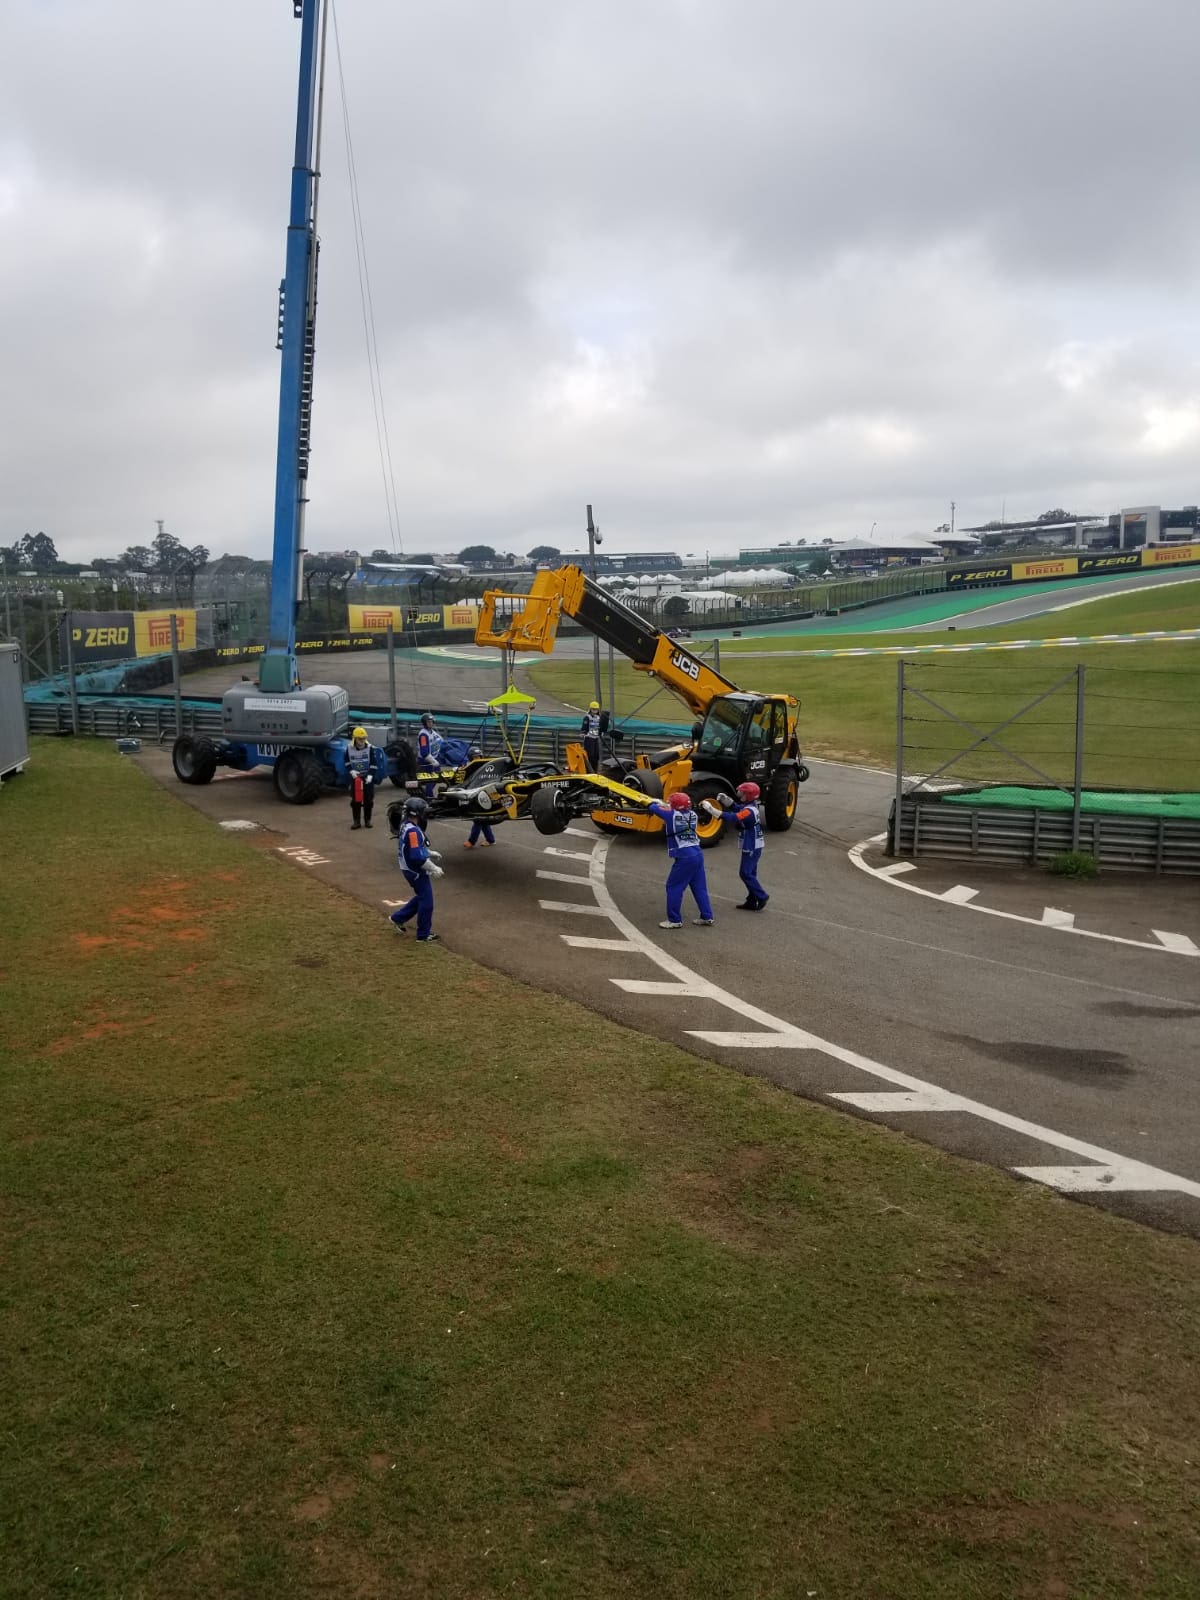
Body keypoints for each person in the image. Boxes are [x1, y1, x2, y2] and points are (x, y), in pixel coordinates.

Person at [645, 790, 714, 930]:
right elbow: (672, 810)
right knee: (699, 888)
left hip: (684, 857)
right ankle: (707, 916)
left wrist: (656, 802)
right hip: (697, 853)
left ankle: (674, 920)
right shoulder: (693, 814)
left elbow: (652, 807)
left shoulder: (671, 815)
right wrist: (666, 805)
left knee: (673, 887)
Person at [703, 781, 768, 910]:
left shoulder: (749, 811)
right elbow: (738, 809)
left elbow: (734, 817)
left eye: (743, 793)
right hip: (754, 843)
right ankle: (752, 899)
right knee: (750, 873)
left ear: (749, 795)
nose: (740, 795)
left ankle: (761, 896)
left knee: (745, 873)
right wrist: (727, 801)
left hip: (752, 845)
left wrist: (712, 810)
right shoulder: (751, 806)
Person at [389, 796, 444, 942]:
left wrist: (430, 852)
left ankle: (397, 917)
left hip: (408, 868)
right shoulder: (413, 831)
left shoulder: (406, 825)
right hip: (414, 870)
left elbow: (415, 848)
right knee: (427, 902)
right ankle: (423, 935)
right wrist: (433, 868)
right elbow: (417, 856)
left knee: (421, 896)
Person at [346, 726, 375, 830]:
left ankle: (367, 820)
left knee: (368, 800)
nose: (362, 741)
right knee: (356, 800)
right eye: (360, 739)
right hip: (356, 778)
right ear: (355, 738)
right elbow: (347, 762)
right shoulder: (349, 748)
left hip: (367, 777)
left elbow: (373, 763)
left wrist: (371, 775)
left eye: (363, 738)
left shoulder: (369, 747)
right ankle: (356, 821)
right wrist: (351, 771)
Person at [416, 712, 444, 797]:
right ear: (424, 723)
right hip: (426, 762)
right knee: (430, 780)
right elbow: (424, 753)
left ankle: (427, 794)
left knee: (435, 779)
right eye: (428, 722)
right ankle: (429, 797)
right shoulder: (423, 735)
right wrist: (434, 762)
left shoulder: (432, 732)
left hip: (433, 759)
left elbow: (441, 741)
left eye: (431, 721)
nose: (431, 723)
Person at [581, 701, 602, 771]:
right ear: (590, 709)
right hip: (589, 738)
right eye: (593, 709)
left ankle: (595, 770)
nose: (595, 711)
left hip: (596, 738)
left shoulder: (599, 717)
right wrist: (583, 733)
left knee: (596, 756)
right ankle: (588, 770)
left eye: (596, 709)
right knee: (590, 756)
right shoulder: (587, 717)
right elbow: (584, 727)